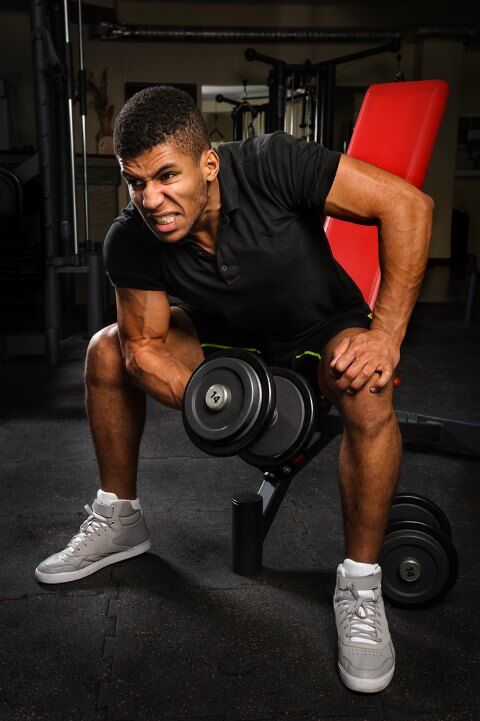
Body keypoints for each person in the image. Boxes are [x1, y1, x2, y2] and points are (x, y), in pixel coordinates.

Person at [35, 85, 433, 694]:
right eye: (135, 182)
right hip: (227, 349)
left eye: (167, 176)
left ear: (209, 164)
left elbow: (408, 206)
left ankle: (359, 583)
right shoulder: (132, 236)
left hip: (320, 328)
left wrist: (385, 336)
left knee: (368, 391)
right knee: (107, 350)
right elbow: (144, 349)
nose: (152, 199)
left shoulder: (275, 162)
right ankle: (120, 518)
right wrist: (222, 405)